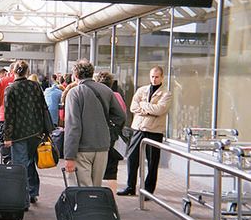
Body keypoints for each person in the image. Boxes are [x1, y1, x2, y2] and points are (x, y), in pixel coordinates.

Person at [63, 60, 125, 187]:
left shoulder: (74, 93)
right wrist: (107, 128)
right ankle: (97, 206)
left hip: (82, 148)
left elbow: (73, 125)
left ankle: (87, 207)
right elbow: (121, 116)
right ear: (92, 74)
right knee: (96, 187)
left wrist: (69, 155)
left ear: (75, 76)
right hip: (102, 146)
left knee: (83, 188)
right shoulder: (106, 90)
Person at [3, 60, 53, 206]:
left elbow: (9, 115)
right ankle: (33, 192)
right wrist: (45, 130)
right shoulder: (35, 86)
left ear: (13, 72)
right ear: (27, 72)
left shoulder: (11, 89)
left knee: (20, 166)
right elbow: (43, 108)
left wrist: (7, 136)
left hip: (19, 134)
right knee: (30, 163)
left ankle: (22, 199)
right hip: (35, 132)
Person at [118, 66, 172, 196]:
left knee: (152, 161)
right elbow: (133, 107)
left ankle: (148, 191)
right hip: (138, 128)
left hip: (154, 131)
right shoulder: (142, 90)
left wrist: (143, 106)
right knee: (132, 157)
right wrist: (149, 110)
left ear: (162, 77)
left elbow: (160, 110)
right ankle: (130, 187)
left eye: (157, 77)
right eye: (152, 76)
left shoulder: (166, 93)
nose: (154, 79)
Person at [97, 71, 128, 193]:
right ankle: (112, 200)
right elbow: (123, 115)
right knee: (112, 171)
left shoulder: (100, 96)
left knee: (98, 170)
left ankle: (99, 198)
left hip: (101, 137)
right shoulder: (118, 96)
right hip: (114, 137)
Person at [0, 62, 16, 163]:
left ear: (10, 70)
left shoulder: (2, 81)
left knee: (3, 141)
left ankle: (7, 160)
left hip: (3, 116)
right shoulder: (23, 82)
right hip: (18, 117)